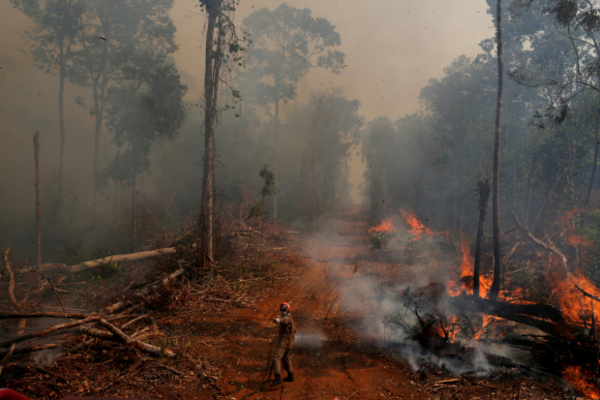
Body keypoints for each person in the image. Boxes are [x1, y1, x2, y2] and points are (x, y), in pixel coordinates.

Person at [271, 302, 296, 386]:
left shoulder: (287, 318)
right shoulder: (290, 319)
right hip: (290, 343)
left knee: (276, 358)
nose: (282, 311)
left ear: (288, 310)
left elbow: (285, 321)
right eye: (281, 310)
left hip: (284, 343)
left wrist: (279, 320)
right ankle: (290, 376)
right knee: (286, 359)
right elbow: (294, 330)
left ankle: (277, 378)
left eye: (284, 310)